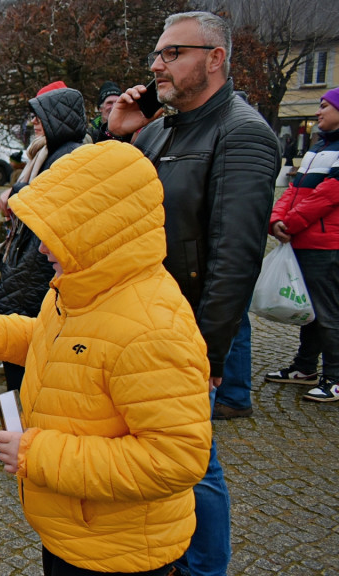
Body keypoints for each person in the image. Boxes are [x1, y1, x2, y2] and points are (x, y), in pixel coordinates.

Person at [0, 141, 212, 575]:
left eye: (55, 235)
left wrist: (39, 455)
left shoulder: (151, 329)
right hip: (78, 533)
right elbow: (53, 341)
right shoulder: (87, 287)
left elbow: (175, 458)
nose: (41, 250)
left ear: (96, 232)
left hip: (119, 553)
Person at [108, 11, 281, 576]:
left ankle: (205, 569)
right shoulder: (156, 129)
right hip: (137, 325)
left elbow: (235, 261)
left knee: (194, 464)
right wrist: (118, 135)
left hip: (182, 337)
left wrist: (207, 355)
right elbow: (102, 203)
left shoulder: (243, 133)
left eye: (172, 53)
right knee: (155, 458)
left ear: (215, 58)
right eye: (157, 54)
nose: (156, 64)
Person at [0, 81, 87, 394]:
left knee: (27, 360)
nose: (33, 121)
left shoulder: (68, 156)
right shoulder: (44, 154)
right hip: (28, 270)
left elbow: (49, 201)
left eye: (39, 114)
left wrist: (15, 192)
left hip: (38, 275)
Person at [266, 86, 339, 402]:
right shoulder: (317, 149)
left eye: (324, 106)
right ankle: (304, 367)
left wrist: (290, 222)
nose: (318, 112)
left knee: (328, 313)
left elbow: (328, 196)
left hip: (325, 245)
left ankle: (334, 378)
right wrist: (276, 218)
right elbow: (294, 190)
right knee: (310, 311)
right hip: (304, 241)